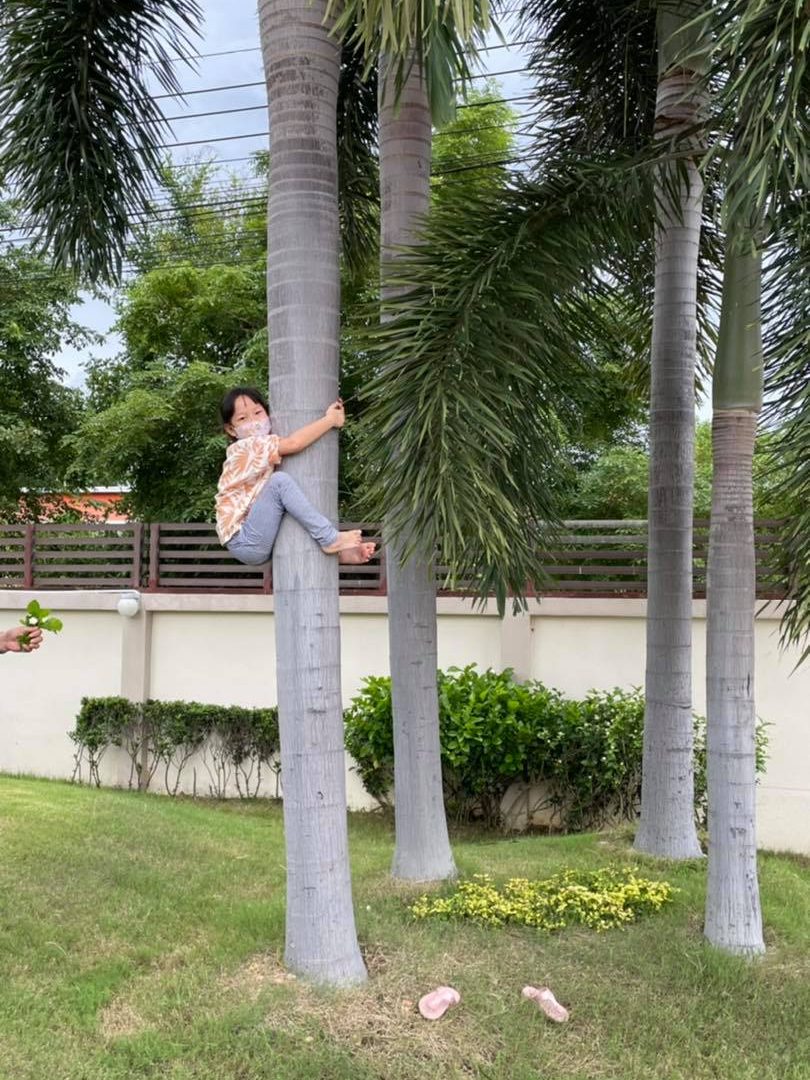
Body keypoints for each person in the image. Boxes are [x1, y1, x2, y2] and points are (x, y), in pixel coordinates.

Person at [216, 387, 375, 567]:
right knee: (279, 482)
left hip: (252, 535)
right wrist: (330, 420)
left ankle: (342, 554)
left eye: (258, 413)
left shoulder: (259, 449)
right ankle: (330, 538)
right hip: (243, 538)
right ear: (231, 429)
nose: (254, 421)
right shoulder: (247, 446)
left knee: (291, 505)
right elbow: (294, 443)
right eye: (243, 419)